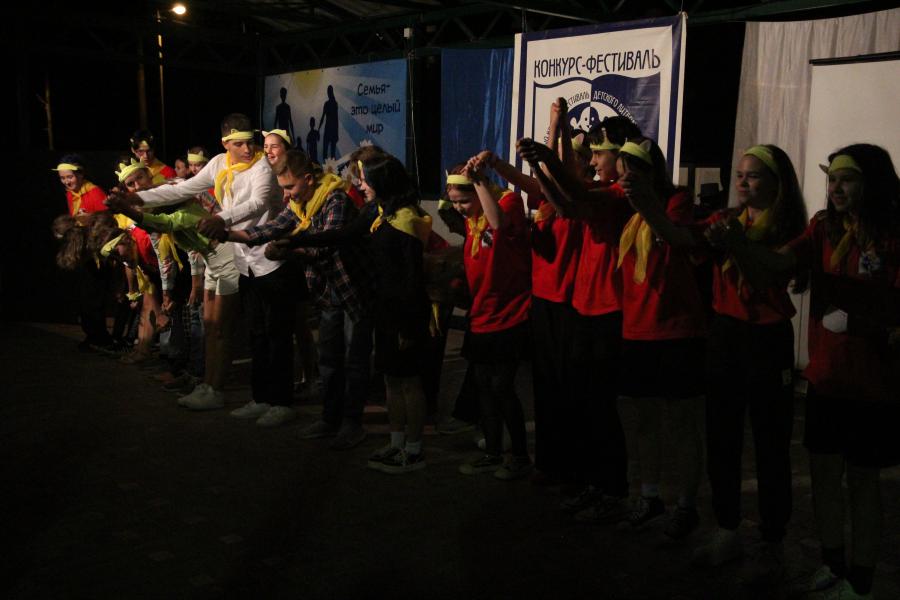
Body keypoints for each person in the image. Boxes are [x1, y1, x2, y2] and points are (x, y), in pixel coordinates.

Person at [729, 144, 900, 598]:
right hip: (826, 377)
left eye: (847, 180)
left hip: (872, 383)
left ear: (871, 184)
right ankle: (832, 563)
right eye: (832, 180)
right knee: (824, 476)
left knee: (862, 482)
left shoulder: (891, 237)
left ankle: (861, 582)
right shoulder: (823, 228)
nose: (836, 188)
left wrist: (867, 326)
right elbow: (782, 260)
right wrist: (739, 244)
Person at [122, 113, 296, 427]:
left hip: (270, 258)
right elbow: (180, 190)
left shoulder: (261, 167)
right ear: (225, 143)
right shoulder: (218, 164)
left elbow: (257, 203)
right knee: (257, 334)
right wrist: (137, 197)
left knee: (276, 334)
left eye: (250, 142)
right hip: (244, 260)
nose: (247, 149)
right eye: (239, 144)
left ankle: (282, 401)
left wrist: (220, 219)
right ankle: (262, 398)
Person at [226, 149, 376, 442]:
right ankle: (330, 419)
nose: (286, 195)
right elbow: (271, 228)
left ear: (308, 179)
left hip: (353, 290)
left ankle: (351, 423)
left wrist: (288, 248)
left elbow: (325, 245)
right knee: (329, 359)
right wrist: (227, 233)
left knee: (354, 360)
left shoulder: (335, 199)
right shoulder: (301, 204)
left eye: (290, 187)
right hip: (329, 292)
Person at [445, 160, 533, 481]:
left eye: (463, 201)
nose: (459, 208)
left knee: (502, 387)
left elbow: (498, 225)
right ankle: (493, 452)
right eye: (454, 202)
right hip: (482, 313)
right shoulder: (471, 220)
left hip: (509, 312)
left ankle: (519, 456)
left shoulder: (507, 202)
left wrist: (479, 178)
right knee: (483, 387)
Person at [52, 156, 114, 350]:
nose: (66, 181)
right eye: (63, 178)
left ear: (80, 174)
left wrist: (90, 220)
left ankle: (101, 338)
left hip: (97, 251)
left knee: (94, 296)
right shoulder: (71, 194)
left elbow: (108, 220)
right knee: (84, 296)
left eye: (69, 177)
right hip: (82, 250)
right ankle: (92, 335)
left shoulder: (94, 192)